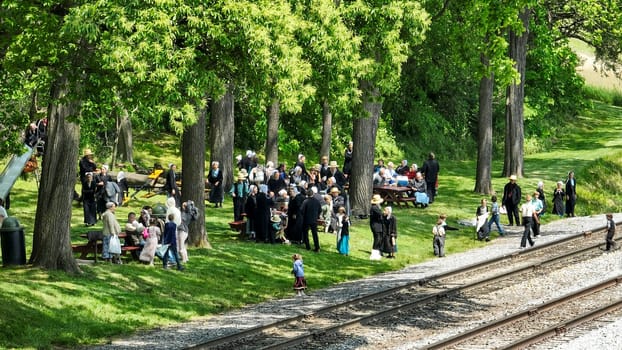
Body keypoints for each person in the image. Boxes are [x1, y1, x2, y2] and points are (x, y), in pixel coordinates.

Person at [369, 194, 384, 260]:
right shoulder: (374, 208)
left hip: (378, 224)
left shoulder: (377, 207)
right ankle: (374, 250)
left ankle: (378, 250)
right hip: (375, 224)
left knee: (380, 237)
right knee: (377, 238)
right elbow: (380, 215)